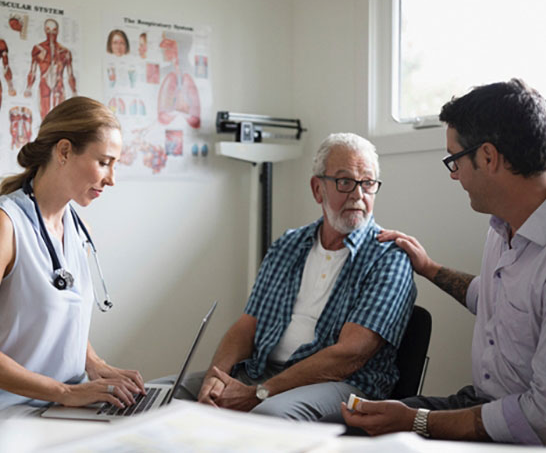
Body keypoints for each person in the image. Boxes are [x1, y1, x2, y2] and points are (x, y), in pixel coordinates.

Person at [340, 79, 546, 445]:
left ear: (487, 157)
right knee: (343, 427)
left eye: (455, 160)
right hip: (482, 401)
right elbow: (494, 299)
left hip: (524, 430)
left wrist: (417, 421)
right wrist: (429, 268)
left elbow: (538, 418)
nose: (454, 176)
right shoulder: (502, 226)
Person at [177, 133, 416, 421]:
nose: (358, 194)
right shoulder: (288, 244)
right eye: (345, 182)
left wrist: (260, 393)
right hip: (262, 371)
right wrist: (216, 378)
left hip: (341, 385)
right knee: (168, 396)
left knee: (268, 416)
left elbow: (350, 355)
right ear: (318, 189)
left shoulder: (389, 256)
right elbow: (246, 325)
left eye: (367, 183)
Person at [0, 96, 145, 417]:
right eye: (105, 162)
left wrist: (94, 364)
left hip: (65, 403)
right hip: (14, 410)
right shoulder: (7, 225)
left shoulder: (77, 228)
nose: (111, 179)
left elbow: (61, 323)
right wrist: (65, 392)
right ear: (64, 151)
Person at [23, 19, 77, 120]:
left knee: (60, 117)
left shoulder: (65, 52)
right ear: (44, 30)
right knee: (44, 116)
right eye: (48, 30)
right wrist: (28, 88)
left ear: (58, 31)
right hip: (44, 84)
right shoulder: (38, 49)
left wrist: (74, 92)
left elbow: (70, 74)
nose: (51, 33)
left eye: (54, 30)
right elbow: (33, 71)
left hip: (59, 85)